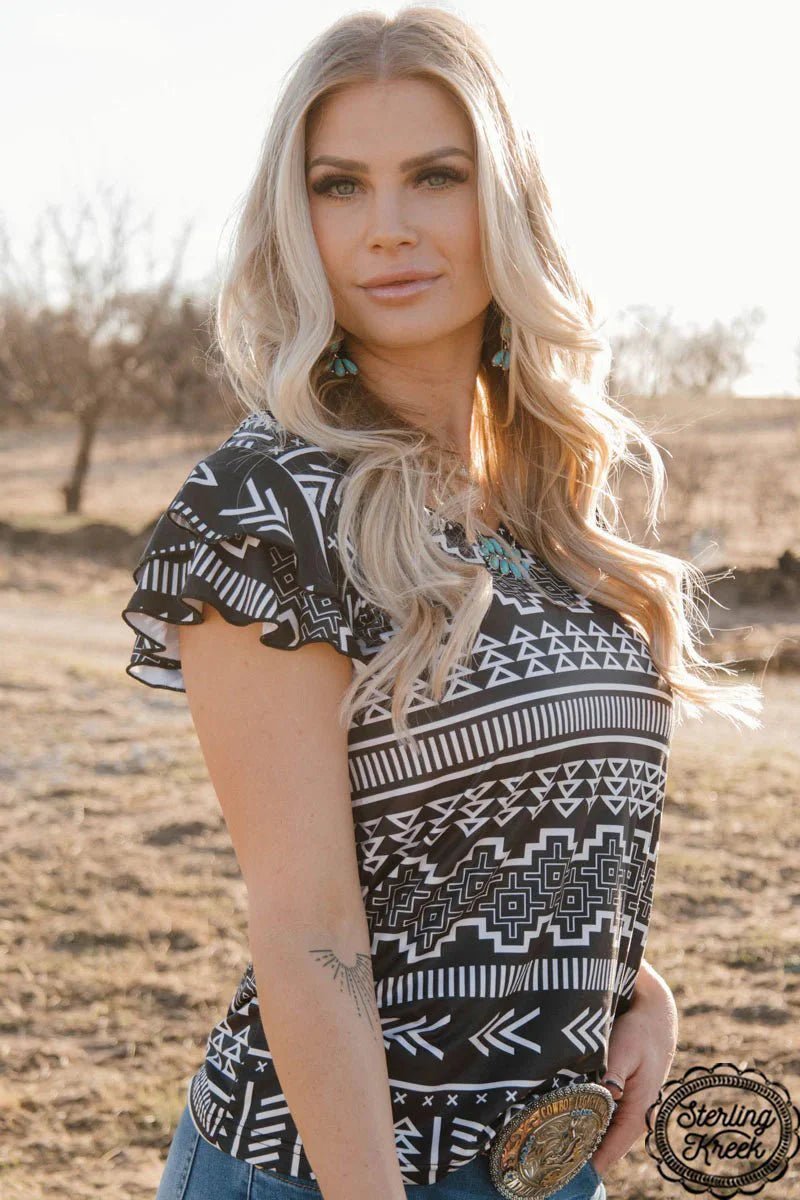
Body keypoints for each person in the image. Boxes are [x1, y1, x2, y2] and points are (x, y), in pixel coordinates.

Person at [121, 7, 762, 1199]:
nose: (387, 228)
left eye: (435, 176)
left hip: (540, 1161)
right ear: (295, 219)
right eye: (339, 186)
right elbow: (308, 930)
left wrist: (630, 988)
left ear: (505, 198)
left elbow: (498, 842)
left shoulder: (540, 501)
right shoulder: (264, 508)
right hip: (334, 1168)